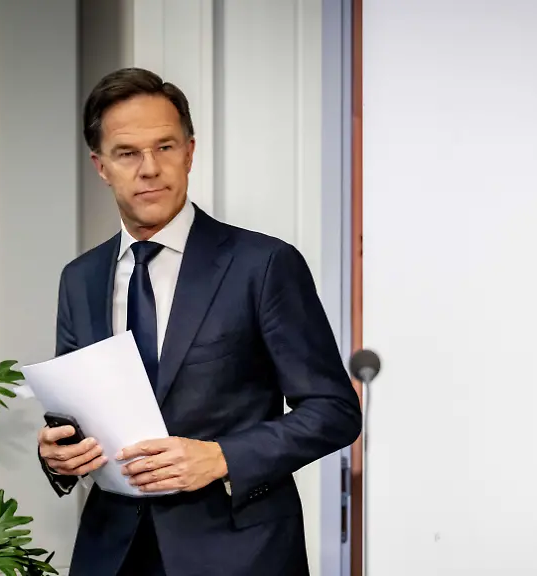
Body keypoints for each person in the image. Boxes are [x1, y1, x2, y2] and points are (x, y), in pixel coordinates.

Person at [35, 67, 362, 576]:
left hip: (239, 553)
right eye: (127, 153)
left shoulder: (263, 265)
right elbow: (74, 414)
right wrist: (58, 454)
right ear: (101, 166)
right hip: (112, 553)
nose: (150, 168)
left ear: (189, 152)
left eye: (164, 147)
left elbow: (334, 411)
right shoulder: (79, 278)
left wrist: (222, 457)